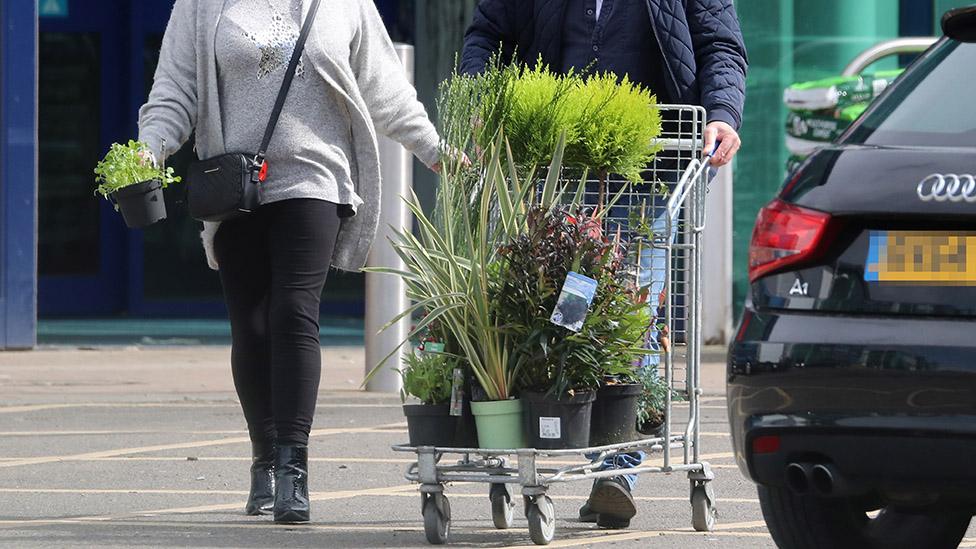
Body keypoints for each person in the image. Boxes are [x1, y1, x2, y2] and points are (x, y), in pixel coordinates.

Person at [138, 0, 441, 524]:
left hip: (314, 176)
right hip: (235, 183)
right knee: (251, 325)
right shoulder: (202, 5)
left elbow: (385, 86)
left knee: (293, 311)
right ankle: (263, 459)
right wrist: (151, 148)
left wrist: (435, 149)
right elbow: (175, 88)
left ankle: (292, 467)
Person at [461, 0, 748, 530]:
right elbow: (488, 34)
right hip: (555, 168)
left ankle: (617, 470)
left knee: (630, 313)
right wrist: (478, 101)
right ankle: (550, 450)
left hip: (650, 166)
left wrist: (724, 116)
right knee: (561, 312)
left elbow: (719, 46)